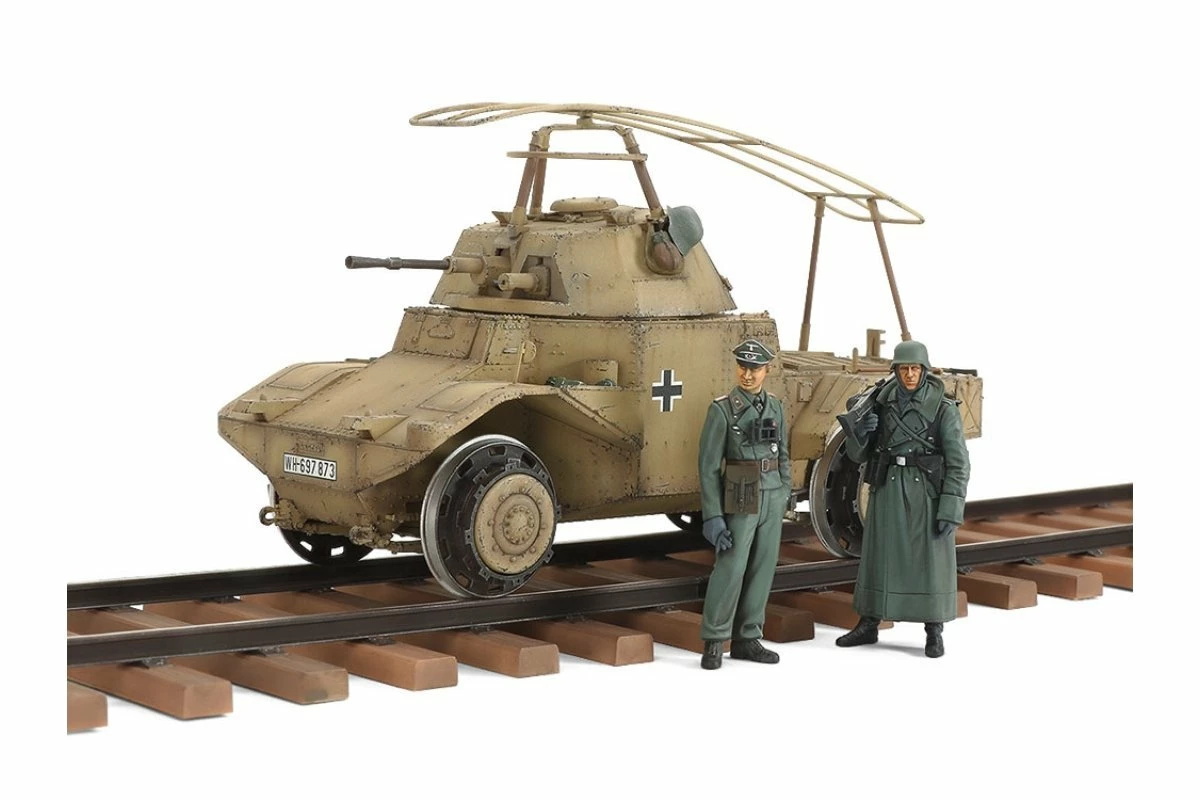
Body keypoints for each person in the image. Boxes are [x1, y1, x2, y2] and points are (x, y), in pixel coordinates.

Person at [836, 340, 970, 658]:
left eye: (915, 368)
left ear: (924, 370)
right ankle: (869, 622)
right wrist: (862, 433)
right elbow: (857, 455)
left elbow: (959, 463)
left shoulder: (943, 409)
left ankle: (934, 630)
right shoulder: (880, 403)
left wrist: (951, 507)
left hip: (926, 492)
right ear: (895, 371)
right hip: (887, 488)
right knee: (879, 558)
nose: (909, 375)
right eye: (904, 368)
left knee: (931, 563)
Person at [697, 338, 791, 670]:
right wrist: (713, 516)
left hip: (772, 489)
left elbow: (784, 453)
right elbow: (709, 467)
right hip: (741, 483)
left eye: (754, 369)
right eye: (742, 367)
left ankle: (748, 637)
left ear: (767, 370)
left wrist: (784, 490)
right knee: (731, 566)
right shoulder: (722, 410)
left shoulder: (775, 407)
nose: (747, 375)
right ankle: (714, 638)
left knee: (763, 567)